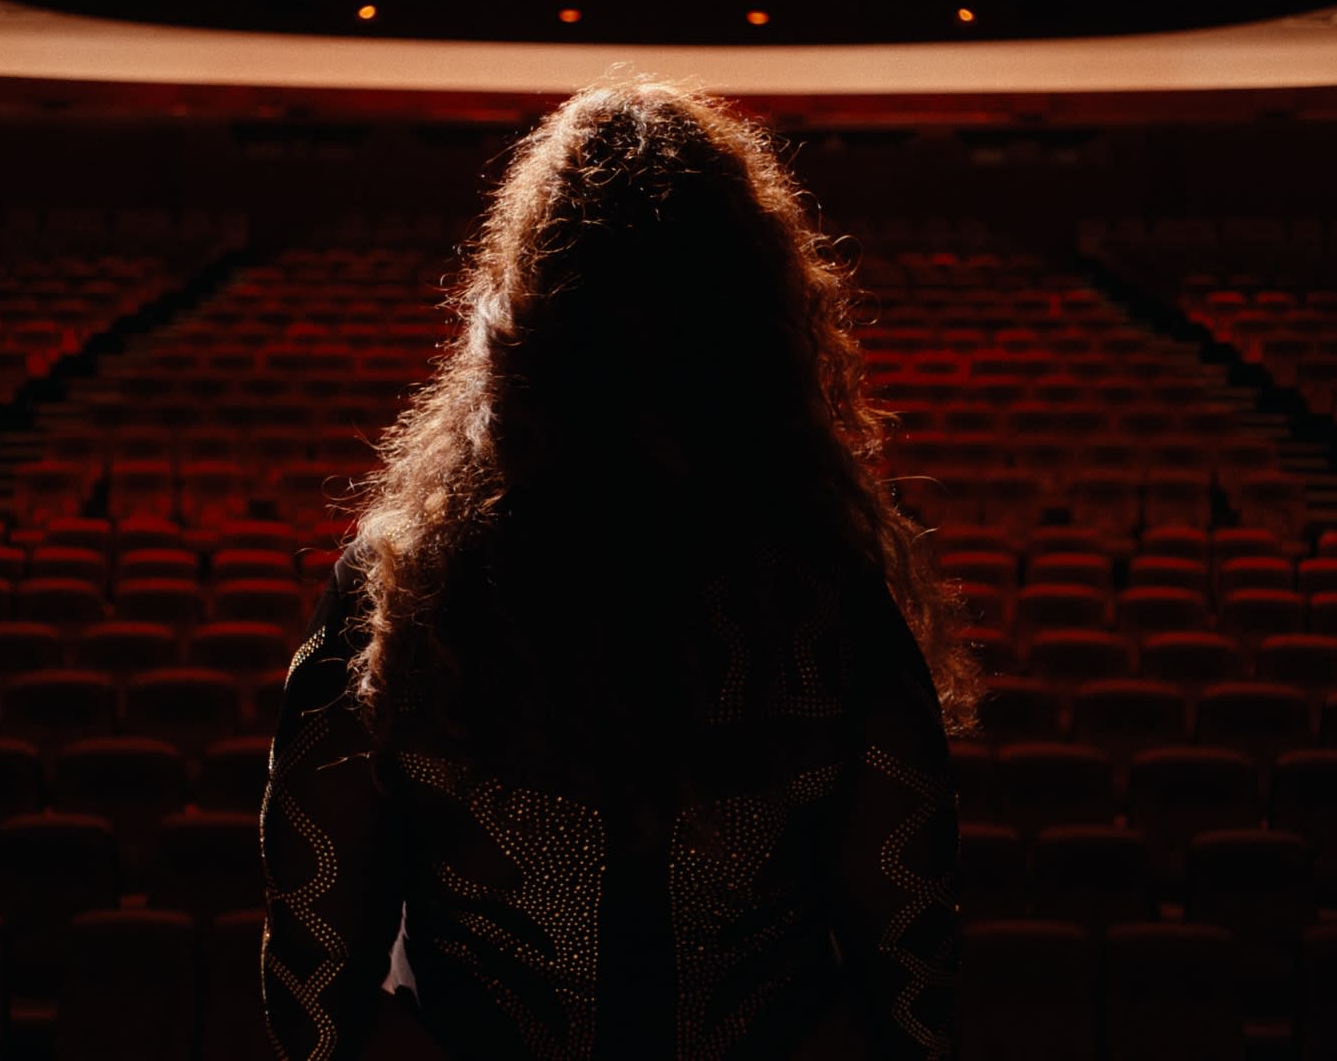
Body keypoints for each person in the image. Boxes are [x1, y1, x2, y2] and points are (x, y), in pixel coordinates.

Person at [261, 77, 978, 1061]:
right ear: (754, 326)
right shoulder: (824, 600)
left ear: (519, 324)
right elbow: (912, 991)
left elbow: (317, 998)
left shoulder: (404, 599)